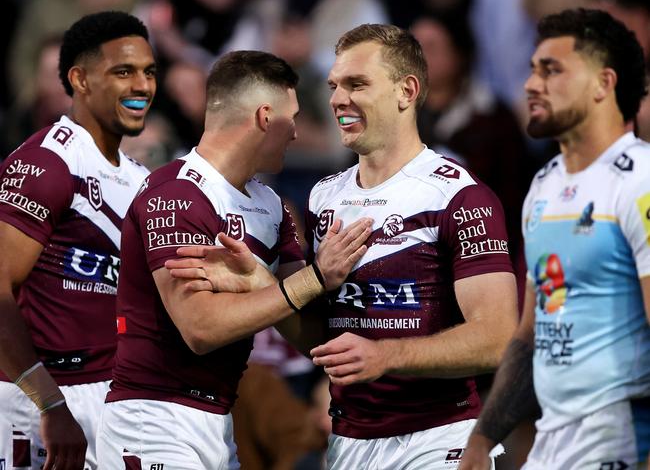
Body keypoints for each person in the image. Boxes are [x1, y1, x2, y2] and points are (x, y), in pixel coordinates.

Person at [168, 24, 519, 469]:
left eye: (357, 84)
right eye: (334, 85)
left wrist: (386, 354)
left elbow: (498, 338)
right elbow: (322, 337)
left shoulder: (459, 195)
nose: (337, 98)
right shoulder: (324, 197)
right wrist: (258, 282)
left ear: (406, 91)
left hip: (437, 439)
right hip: (347, 442)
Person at [96, 50, 372, 469]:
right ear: (265, 116)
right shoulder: (173, 193)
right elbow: (201, 328)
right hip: (154, 419)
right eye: (291, 116)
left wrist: (261, 282)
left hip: (220, 421)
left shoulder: (273, 207)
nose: (296, 132)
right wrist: (314, 277)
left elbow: (310, 336)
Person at [460, 8, 650, 469]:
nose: (530, 84)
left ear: (604, 83)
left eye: (552, 70)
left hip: (622, 444)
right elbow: (531, 336)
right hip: (552, 443)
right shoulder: (544, 185)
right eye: (530, 70)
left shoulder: (640, 177)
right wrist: (483, 439)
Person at [0, 11, 156, 470]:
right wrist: (49, 404)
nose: (142, 86)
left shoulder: (141, 180)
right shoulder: (47, 163)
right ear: (80, 80)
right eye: (123, 72)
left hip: (109, 397)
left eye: (149, 72)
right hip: (34, 402)